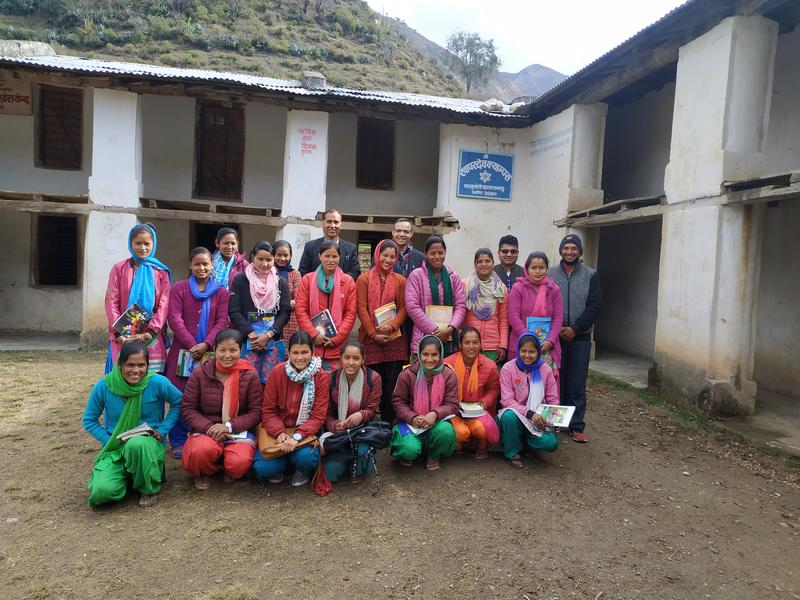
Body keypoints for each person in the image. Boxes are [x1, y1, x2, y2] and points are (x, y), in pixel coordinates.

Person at [82, 342, 182, 507]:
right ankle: (130, 476)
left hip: (147, 445)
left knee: (137, 445)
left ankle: (148, 488)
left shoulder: (156, 382)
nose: (136, 370)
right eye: (130, 365)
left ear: (148, 365)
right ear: (120, 364)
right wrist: (108, 440)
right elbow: (89, 420)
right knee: (102, 492)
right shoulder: (105, 386)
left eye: (141, 365)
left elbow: (179, 402)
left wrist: (162, 430)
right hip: (116, 448)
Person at [165, 247, 231, 456]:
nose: (201, 268)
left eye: (205, 264)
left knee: (205, 395)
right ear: (190, 265)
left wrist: (206, 344)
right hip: (182, 352)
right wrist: (193, 343)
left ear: (212, 265)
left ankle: (199, 434)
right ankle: (177, 439)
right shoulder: (180, 288)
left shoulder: (221, 292)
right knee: (180, 395)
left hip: (210, 352)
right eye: (197, 264)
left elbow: (222, 320)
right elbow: (174, 318)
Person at [180, 329, 262, 490]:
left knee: (239, 463)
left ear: (241, 350)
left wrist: (228, 426)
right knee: (198, 453)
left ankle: (227, 466)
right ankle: (206, 470)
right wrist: (210, 428)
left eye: (233, 350)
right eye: (222, 350)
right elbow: (188, 408)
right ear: (214, 349)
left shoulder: (250, 375)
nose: (227, 355)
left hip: (238, 430)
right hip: (207, 429)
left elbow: (256, 412)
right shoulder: (200, 374)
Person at [252, 331, 330, 487]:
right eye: (295, 352)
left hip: (304, 434)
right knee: (262, 468)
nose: (299, 357)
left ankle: (298, 467)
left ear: (313, 352)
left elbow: (318, 417)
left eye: (304, 352)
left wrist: (298, 436)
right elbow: (268, 410)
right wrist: (279, 432)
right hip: (277, 433)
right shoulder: (277, 372)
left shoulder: (321, 376)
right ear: (288, 352)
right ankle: (282, 464)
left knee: (307, 460)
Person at [548, 233, 602, 444]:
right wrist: (556, 328)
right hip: (556, 337)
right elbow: (546, 301)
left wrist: (576, 328)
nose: (569, 251)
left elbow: (595, 306)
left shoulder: (591, 275)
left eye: (573, 248)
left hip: (580, 338)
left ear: (580, 251)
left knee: (577, 383)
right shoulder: (551, 273)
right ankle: (557, 422)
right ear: (561, 250)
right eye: (566, 248)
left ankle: (576, 425)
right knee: (556, 380)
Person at [104, 223, 171, 373]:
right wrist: (117, 331)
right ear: (130, 243)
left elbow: (164, 304)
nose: (143, 248)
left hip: (152, 333)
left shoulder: (161, 271)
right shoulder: (119, 269)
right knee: (125, 373)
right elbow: (111, 300)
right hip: (123, 331)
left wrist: (152, 331)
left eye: (147, 243)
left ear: (153, 244)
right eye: (138, 243)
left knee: (150, 375)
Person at [356, 239, 408, 421]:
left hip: (395, 341)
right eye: (385, 255)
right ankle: (367, 422)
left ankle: (388, 422)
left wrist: (392, 326)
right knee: (370, 383)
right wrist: (373, 334)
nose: (388, 260)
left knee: (391, 384)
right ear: (377, 255)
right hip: (370, 340)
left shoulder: (401, 280)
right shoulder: (363, 279)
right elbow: (361, 308)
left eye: (392, 257)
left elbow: (404, 308)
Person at [390, 336, 459, 471]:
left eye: (434, 355)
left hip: (435, 423)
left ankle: (434, 455)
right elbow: (398, 401)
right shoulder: (408, 374)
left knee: (446, 431)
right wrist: (413, 417)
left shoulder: (448, 374)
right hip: (409, 424)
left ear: (441, 355)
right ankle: (408, 454)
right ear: (419, 354)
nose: (429, 359)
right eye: (425, 354)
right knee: (408, 448)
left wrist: (435, 414)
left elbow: (452, 404)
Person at [229, 241, 292, 384]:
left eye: (269, 259)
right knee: (245, 382)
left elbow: (285, 312)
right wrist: (251, 335)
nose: (265, 264)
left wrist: (269, 334)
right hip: (247, 340)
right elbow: (234, 311)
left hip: (272, 341)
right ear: (252, 257)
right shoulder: (241, 280)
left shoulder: (280, 282)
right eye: (260, 259)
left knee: (270, 384)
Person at [323, 340, 382, 484]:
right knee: (331, 474)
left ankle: (357, 463)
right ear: (340, 358)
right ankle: (345, 461)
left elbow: (372, 409)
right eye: (347, 357)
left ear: (363, 359)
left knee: (362, 457)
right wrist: (335, 424)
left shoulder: (373, 378)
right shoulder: (331, 379)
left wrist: (361, 415)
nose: (351, 362)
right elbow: (326, 413)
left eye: (356, 358)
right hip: (338, 433)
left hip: (362, 430)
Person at [497, 334, 559, 469]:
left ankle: (526, 443)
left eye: (532, 352)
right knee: (509, 416)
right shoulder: (508, 368)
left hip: (538, 418)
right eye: (523, 351)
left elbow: (553, 399)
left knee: (551, 443)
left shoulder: (545, 370)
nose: (527, 355)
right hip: (517, 416)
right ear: (518, 351)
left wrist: (553, 420)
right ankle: (512, 453)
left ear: (538, 352)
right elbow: (507, 401)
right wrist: (530, 414)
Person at [295, 240, 358, 371]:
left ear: (339, 258)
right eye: (327, 256)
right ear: (319, 256)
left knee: (333, 388)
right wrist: (313, 335)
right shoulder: (307, 280)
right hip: (311, 347)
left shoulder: (348, 282)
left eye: (334, 256)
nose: (331, 260)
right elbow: (301, 310)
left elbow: (350, 314)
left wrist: (337, 338)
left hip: (337, 348)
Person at [405, 235, 467, 359]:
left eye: (441, 253)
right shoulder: (416, 276)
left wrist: (450, 328)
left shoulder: (453, 277)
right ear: (426, 254)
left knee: (446, 377)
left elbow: (460, 305)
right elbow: (412, 307)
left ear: (445, 253)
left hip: (449, 339)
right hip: (423, 338)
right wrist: (434, 330)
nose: (437, 257)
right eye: (433, 253)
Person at [443, 327, 500, 459]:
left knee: (481, 428)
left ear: (481, 344)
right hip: (454, 411)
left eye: (475, 342)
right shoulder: (447, 364)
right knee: (460, 432)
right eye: (467, 343)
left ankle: (482, 446)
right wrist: (453, 404)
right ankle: (457, 446)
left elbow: (494, 389)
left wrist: (484, 403)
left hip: (477, 411)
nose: (471, 346)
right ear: (460, 345)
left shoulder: (489, 366)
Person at [508, 252, 563, 387]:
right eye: (534, 267)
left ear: (546, 269)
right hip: (522, 344)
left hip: (547, 347)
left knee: (545, 385)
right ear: (527, 269)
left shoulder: (553, 289)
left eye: (541, 267)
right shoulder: (518, 288)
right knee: (521, 385)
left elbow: (558, 318)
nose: (538, 271)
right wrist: (528, 339)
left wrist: (550, 340)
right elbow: (513, 317)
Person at [463, 248, 509, 363]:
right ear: (475, 264)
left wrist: (503, 345)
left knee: (490, 379)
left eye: (487, 261)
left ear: (493, 263)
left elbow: (503, 319)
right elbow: (461, 316)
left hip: (492, 345)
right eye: (480, 261)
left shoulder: (500, 288)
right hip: (469, 344)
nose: (484, 264)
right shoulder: (465, 285)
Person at [298, 209, 360, 279]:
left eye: (336, 222)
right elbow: (303, 272)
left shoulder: (351, 248)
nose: (332, 225)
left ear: (340, 225)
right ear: (323, 224)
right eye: (329, 221)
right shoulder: (310, 246)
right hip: (315, 287)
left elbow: (355, 272)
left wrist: (336, 281)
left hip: (342, 287)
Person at [274, 240, 302, 345]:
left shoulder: (295, 274)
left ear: (290, 256)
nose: (282, 258)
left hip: (289, 319)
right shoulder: (268, 272)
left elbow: (299, 298)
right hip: (269, 318)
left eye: (286, 255)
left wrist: (286, 305)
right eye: (279, 255)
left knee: (287, 349)